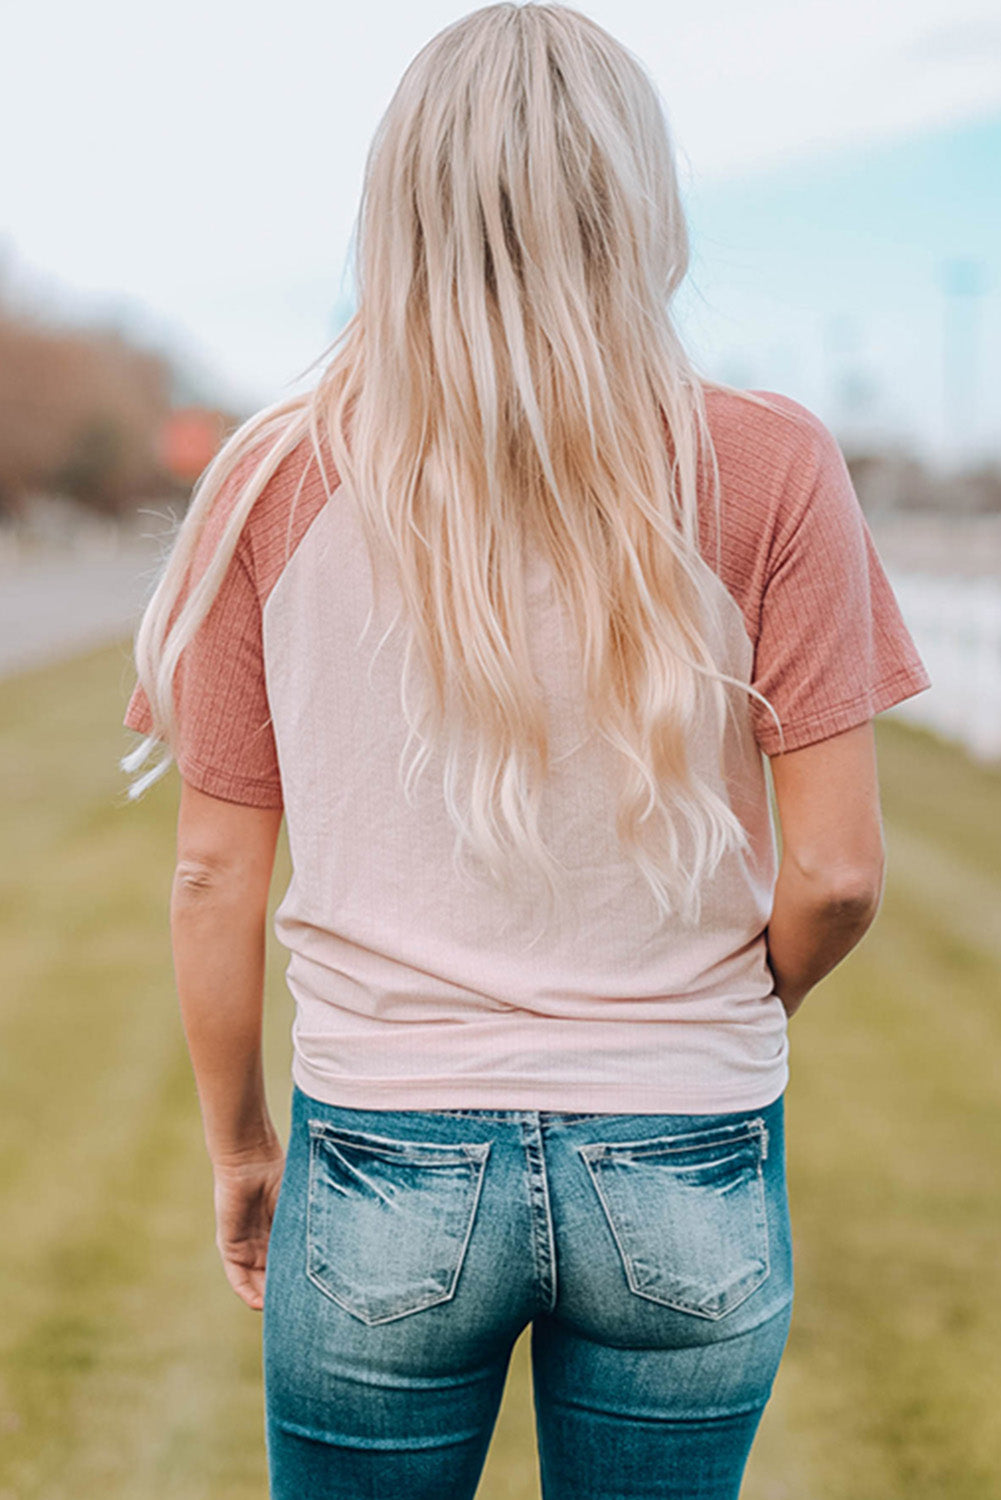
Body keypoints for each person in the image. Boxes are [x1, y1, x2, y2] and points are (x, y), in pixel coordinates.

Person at [120, 5, 932, 1496]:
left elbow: (209, 876)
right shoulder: (765, 462)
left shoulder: (272, 477)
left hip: (377, 1154)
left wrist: (243, 1151)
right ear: (637, 202)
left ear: (399, 209)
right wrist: (722, 1015)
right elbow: (833, 871)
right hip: (688, 1146)